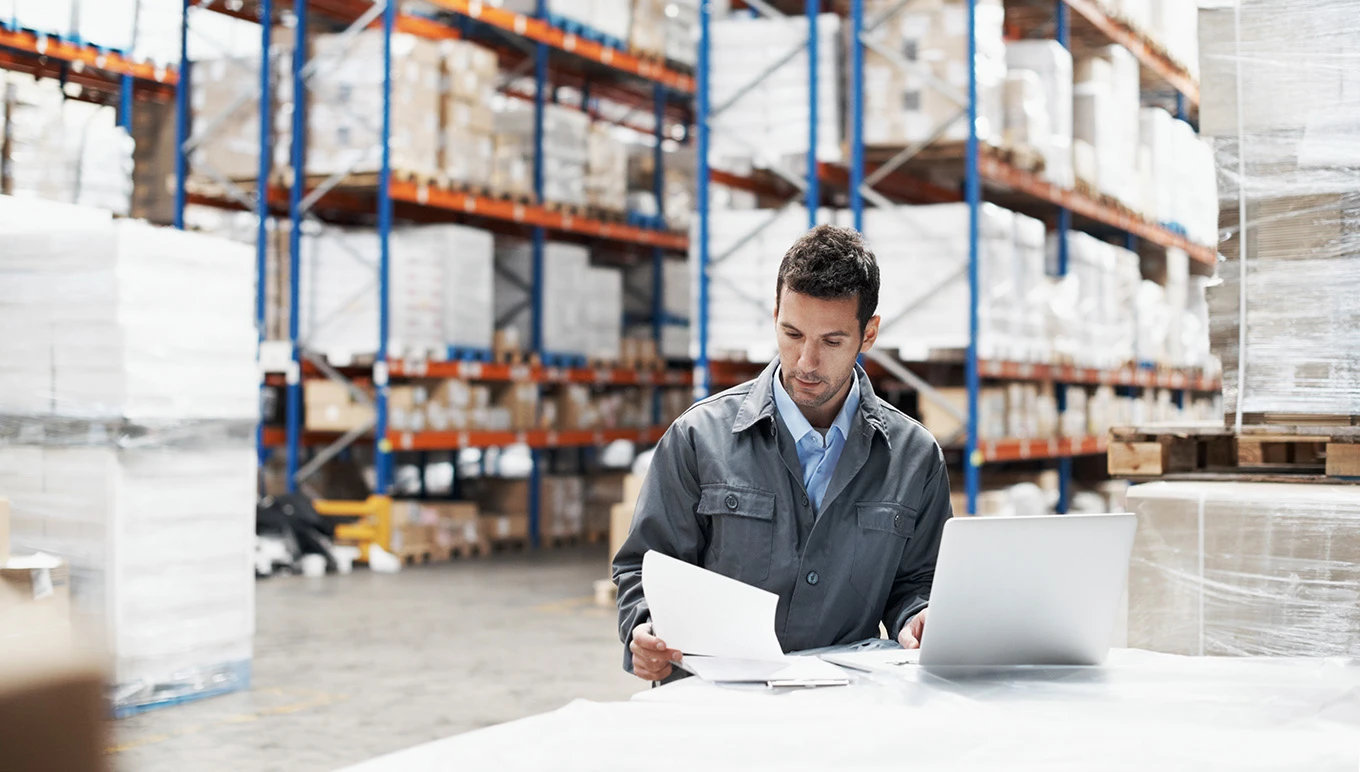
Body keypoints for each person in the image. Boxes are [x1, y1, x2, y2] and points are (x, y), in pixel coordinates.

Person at [612, 224, 953, 682]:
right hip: (714, 706)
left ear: (868, 334)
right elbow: (645, 565)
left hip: (846, 706)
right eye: (792, 333)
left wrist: (919, 618)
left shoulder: (915, 459)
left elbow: (917, 584)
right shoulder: (697, 438)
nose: (806, 362)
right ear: (775, 314)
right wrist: (642, 628)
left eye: (831, 342)